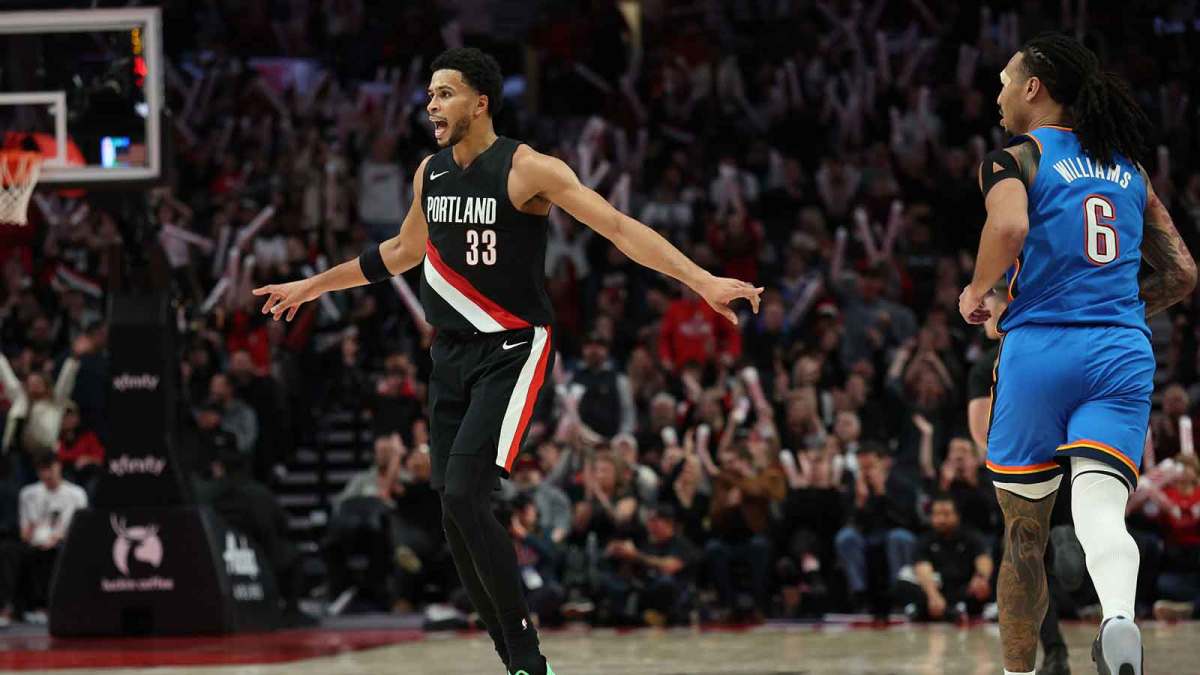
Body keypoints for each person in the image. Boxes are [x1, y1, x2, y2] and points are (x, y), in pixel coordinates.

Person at [253, 47, 762, 675]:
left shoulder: (528, 170)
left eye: (445, 93)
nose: (431, 105)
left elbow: (620, 228)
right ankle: (512, 658)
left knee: (467, 491)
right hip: (449, 355)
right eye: (431, 94)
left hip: (513, 346)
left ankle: (527, 657)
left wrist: (703, 280)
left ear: (481, 102)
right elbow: (403, 251)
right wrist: (311, 286)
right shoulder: (430, 173)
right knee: (450, 505)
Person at [960, 33, 1197, 675]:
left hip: (1039, 350)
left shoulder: (1017, 159)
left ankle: (1019, 673)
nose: (1000, 91)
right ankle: (1118, 618)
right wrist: (1115, 307)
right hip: (1120, 349)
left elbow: (1008, 228)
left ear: (1033, 88)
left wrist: (977, 291)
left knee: (1025, 537)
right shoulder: (1130, 169)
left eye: (1007, 79)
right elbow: (1181, 275)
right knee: (1099, 507)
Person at [897, 494, 993, 622]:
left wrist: (981, 577)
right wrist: (933, 596)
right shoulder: (925, 540)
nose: (941, 520)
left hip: (963, 586)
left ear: (957, 515)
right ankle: (950, 611)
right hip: (936, 587)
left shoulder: (971, 536)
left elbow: (983, 558)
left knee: (988, 583)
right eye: (936, 515)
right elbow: (922, 567)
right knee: (903, 583)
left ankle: (926, 610)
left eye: (946, 514)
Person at [17, 451, 87, 616]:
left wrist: (57, 538)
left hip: (64, 543)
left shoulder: (77, 494)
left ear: (59, 467)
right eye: (42, 470)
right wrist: (33, 527)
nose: (46, 474)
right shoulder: (28, 494)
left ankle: (54, 606)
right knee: (13, 551)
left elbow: (80, 530)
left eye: (50, 469)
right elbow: (24, 534)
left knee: (56, 553)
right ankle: (15, 608)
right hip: (35, 543)